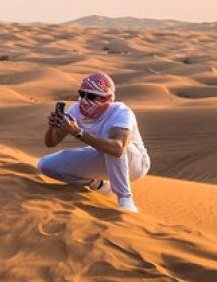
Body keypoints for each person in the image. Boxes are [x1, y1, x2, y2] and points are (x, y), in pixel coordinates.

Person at [37, 72, 151, 213]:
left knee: (110, 142)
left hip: (135, 164)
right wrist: (52, 127)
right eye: (82, 94)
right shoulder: (76, 110)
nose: (84, 100)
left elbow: (118, 149)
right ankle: (100, 186)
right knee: (46, 165)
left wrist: (78, 132)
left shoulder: (120, 112)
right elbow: (51, 143)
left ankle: (125, 199)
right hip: (105, 157)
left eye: (90, 96)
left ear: (107, 97)